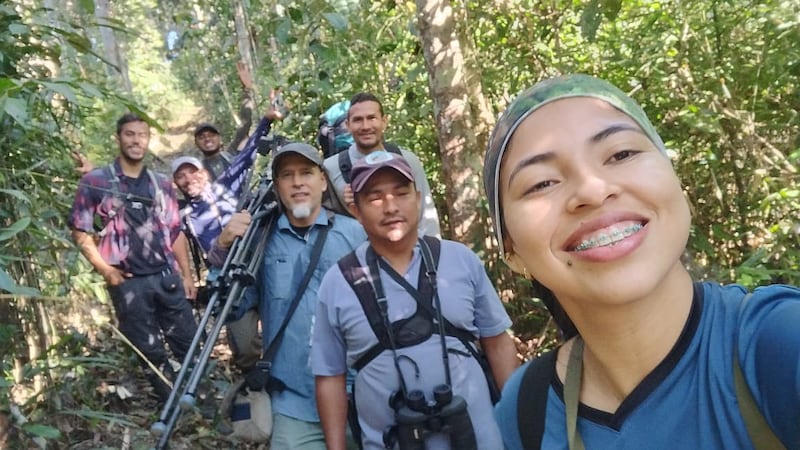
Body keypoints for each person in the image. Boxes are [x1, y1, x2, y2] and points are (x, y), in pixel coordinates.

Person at [485, 74, 800, 449]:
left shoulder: (779, 345)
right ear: (512, 250)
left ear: (674, 180)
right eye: (541, 183)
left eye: (621, 154)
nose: (593, 189)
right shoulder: (527, 408)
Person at [311, 151, 519, 450]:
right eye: (375, 197)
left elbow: (497, 342)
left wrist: (518, 427)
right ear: (355, 209)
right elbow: (330, 376)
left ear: (418, 198)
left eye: (401, 193)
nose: (391, 206)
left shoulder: (459, 260)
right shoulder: (339, 281)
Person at [208, 142, 366, 450]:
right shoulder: (260, 241)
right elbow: (231, 308)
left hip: (361, 395)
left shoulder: (355, 234)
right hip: (294, 402)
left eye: (306, 173)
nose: (297, 182)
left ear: (322, 180)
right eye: (286, 175)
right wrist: (222, 248)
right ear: (277, 186)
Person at [69, 113, 199, 402]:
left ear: (148, 140)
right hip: (128, 283)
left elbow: (175, 232)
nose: (136, 140)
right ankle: (170, 404)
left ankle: (201, 400)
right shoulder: (96, 181)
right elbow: (80, 230)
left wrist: (187, 274)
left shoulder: (161, 184)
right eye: (129, 134)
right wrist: (106, 271)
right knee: (149, 350)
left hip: (166, 278)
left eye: (142, 135)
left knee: (188, 342)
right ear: (118, 138)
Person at [322, 92, 441, 237]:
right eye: (358, 120)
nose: (365, 126)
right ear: (348, 125)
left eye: (372, 118)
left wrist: (433, 254)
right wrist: (346, 206)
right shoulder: (330, 168)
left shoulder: (407, 160)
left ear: (384, 121)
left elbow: (426, 216)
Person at [194, 62, 258, 180]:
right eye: (202, 137)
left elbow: (245, 124)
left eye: (211, 135)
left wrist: (247, 90)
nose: (207, 139)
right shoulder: (197, 172)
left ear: (219, 138)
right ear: (196, 143)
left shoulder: (231, 154)